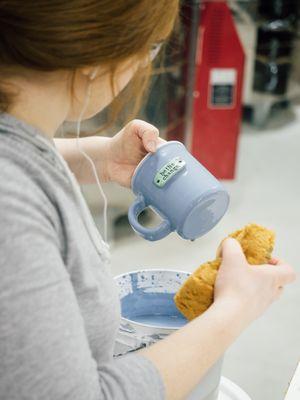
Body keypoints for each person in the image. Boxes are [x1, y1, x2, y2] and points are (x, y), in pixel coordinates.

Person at [0, 1, 296, 400]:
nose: (143, 64)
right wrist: (236, 307)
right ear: (94, 52)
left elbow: (20, 150)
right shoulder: (11, 214)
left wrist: (101, 157)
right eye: (151, 47)